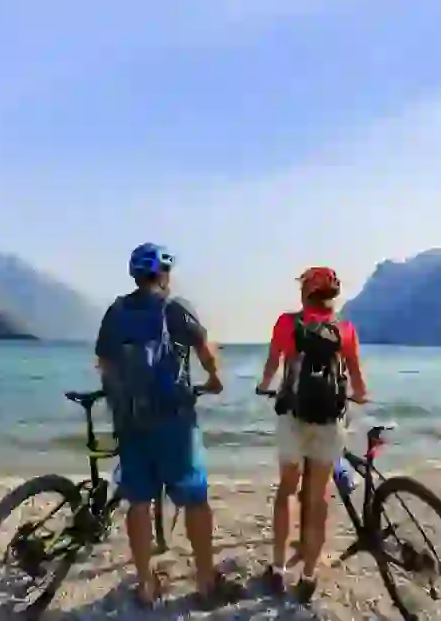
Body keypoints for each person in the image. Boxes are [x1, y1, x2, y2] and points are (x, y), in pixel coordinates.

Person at [94, 242, 240, 609]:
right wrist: (215, 378)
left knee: (139, 502)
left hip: (129, 421)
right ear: (163, 274)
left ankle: (145, 584)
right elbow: (205, 350)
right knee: (194, 500)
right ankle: (205, 582)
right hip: (173, 420)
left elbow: (104, 363)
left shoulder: (116, 310)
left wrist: (121, 399)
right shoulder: (175, 308)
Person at [254, 266, 368, 603]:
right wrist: (361, 395)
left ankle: (277, 570)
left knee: (288, 489)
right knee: (317, 498)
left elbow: (273, 364)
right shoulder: (345, 330)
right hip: (329, 422)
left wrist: (263, 386)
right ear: (333, 296)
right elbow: (358, 379)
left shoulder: (287, 324)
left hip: (293, 416)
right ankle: (308, 575)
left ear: (305, 293)